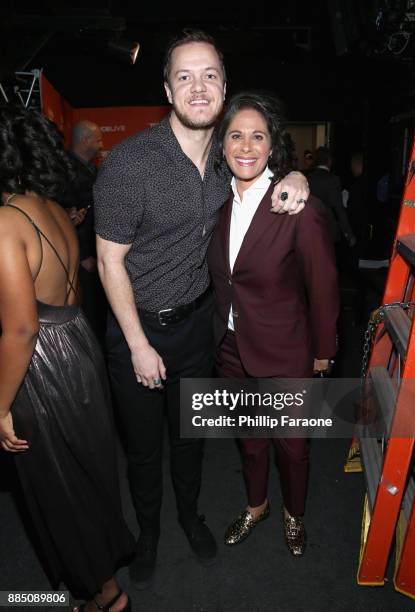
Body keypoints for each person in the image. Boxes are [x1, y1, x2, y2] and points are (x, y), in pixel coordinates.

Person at [94, 28, 310, 587]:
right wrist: (138, 344)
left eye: (209, 74)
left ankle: (190, 517)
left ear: (223, 85)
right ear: (167, 90)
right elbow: (108, 263)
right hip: (136, 333)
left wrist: (298, 176)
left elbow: (270, 165)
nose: (198, 87)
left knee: (190, 440)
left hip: (199, 327)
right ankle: (149, 535)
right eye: (184, 76)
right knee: (143, 453)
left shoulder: (227, 157)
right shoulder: (128, 165)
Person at [0, 106, 134, 612]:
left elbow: (20, 327)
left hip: (43, 363)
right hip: (78, 344)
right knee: (87, 471)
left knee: (60, 485)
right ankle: (99, 583)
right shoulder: (51, 206)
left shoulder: (7, 219)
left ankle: (104, 595)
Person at [207, 92, 339, 555]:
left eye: (257, 136)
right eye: (236, 135)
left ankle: (293, 514)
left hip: (285, 351)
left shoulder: (295, 206)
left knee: (293, 446)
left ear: (271, 145)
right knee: (250, 441)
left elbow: (323, 285)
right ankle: (256, 505)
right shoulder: (215, 207)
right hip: (230, 350)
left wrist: (324, 351)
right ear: (221, 145)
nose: (246, 146)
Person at [61, 120, 107, 343]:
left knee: (98, 310)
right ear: (85, 140)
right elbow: (66, 216)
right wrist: (83, 254)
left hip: (96, 250)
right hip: (83, 257)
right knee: (88, 313)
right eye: (98, 140)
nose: (101, 144)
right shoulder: (66, 170)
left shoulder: (90, 167)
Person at [307, 146, 356, 248]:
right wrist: (348, 233)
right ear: (329, 161)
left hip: (310, 227)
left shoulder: (307, 178)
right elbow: (338, 208)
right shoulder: (333, 180)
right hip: (328, 228)